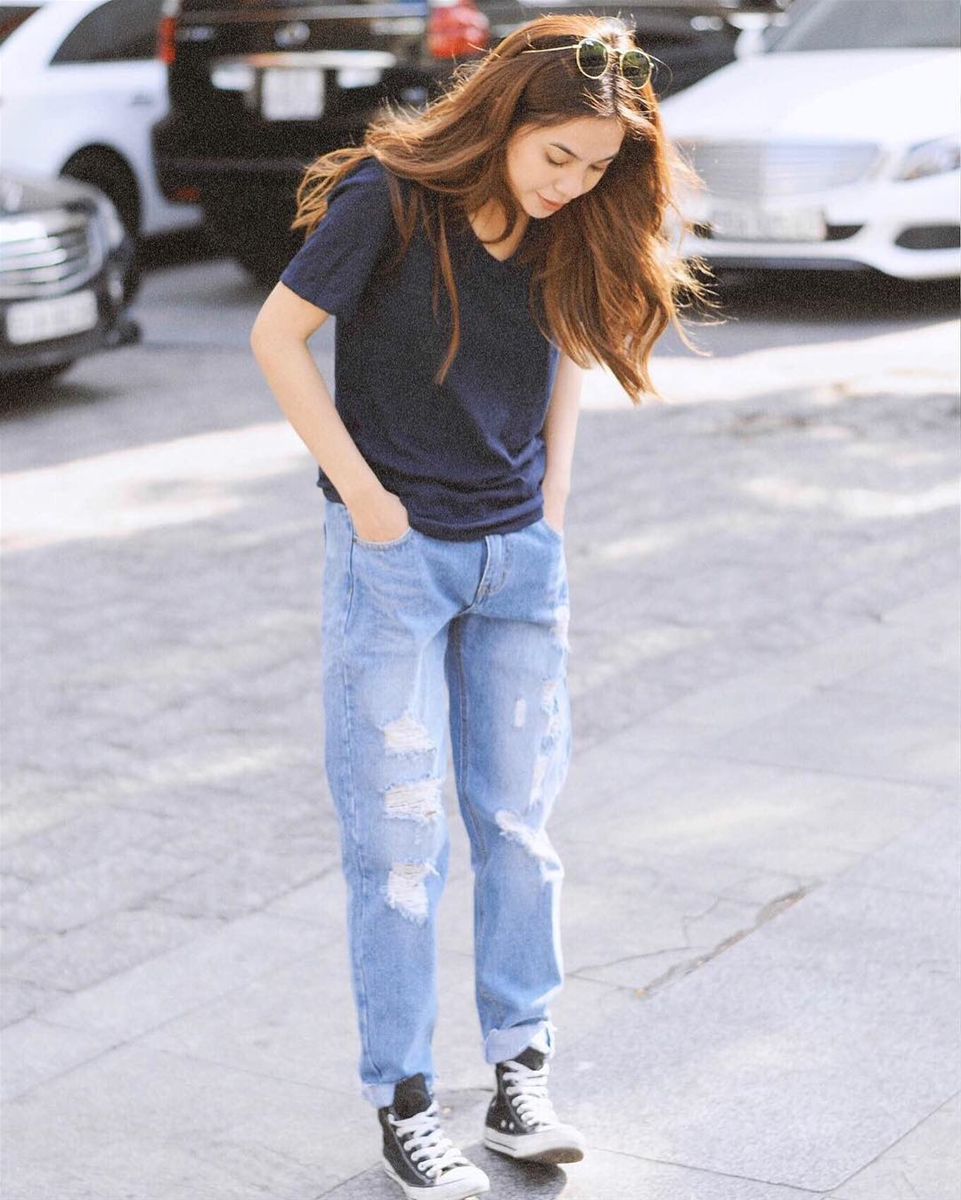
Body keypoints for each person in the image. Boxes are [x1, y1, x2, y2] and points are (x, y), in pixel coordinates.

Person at [250, 13, 705, 1198]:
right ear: (505, 117)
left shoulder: (567, 222)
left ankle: (519, 1078)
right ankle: (405, 1105)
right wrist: (366, 500)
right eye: (558, 156)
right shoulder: (390, 199)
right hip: (395, 562)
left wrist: (551, 503)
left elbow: (566, 352)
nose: (572, 185)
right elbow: (277, 337)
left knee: (518, 833)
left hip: (517, 561)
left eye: (596, 168)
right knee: (400, 849)